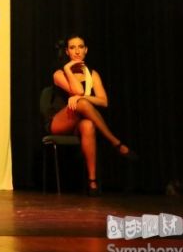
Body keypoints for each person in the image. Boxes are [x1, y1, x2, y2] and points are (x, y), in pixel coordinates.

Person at [46, 34, 138, 195]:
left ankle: (92, 181)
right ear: (67, 51)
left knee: (88, 125)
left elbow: (103, 101)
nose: (77, 51)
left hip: (79, 123)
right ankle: (115, 142)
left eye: (80, 47)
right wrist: (69, 69)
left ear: (86, 50)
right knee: (81, 103)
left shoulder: (92, 74)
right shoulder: (59, 73)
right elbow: (78, 90)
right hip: (59, 122)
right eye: (72, 48)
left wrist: (81, 98)